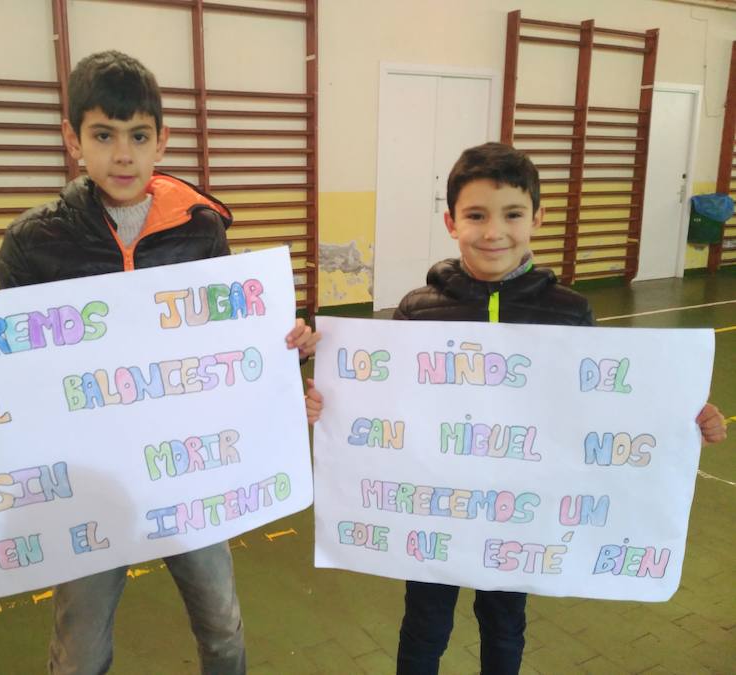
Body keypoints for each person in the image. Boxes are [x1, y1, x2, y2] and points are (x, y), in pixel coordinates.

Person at [0, 50, 319, 675]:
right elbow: (4, 370)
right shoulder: (34, 242)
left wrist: (282, 353)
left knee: (222, 624)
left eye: (138, 136)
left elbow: (225, 344)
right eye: (103, 136)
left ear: (162, 140)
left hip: (185, 469)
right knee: (79, 651)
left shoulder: (201, 229)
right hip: (85, 482)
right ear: (73, 140)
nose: (123, 154)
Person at [303, 142, 727, 675]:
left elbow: (602, 406)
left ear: (537, 219)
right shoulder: (418, 310)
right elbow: (387, 399)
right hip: (435, 504)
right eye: (475, 215)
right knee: (425, 624)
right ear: (451, 221)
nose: (493, 231)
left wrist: (683, 417)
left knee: (504, 626)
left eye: (512, 214)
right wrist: (330, 405)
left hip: (519, 517)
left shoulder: (568, 312)